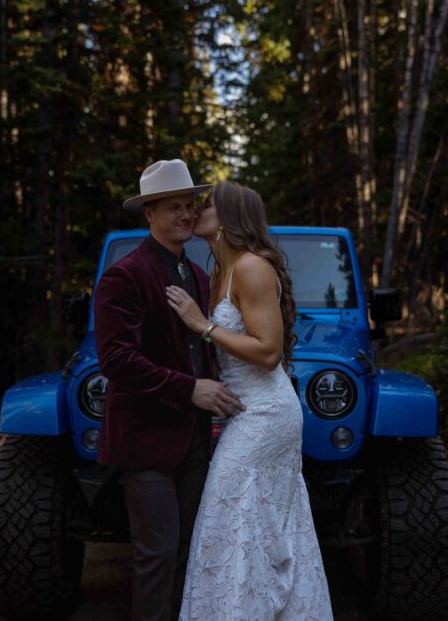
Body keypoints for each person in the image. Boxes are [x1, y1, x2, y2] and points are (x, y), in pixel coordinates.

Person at [168, 182, 333, 620]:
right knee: (251, 524)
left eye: (207, 204)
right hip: (243, 411)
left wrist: (201, 325)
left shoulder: (252, 267)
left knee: (230, 518)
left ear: (229, 216)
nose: (196, 210)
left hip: (266, 413)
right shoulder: (218, 272)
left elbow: (268, 352)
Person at [93, 159, 247, 621]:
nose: (185, 214)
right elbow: (116, 361)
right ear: (149, 214)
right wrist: (189, 390)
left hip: (196, 440)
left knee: (188, 548)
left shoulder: (199, 277)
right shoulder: (125, 275)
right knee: (156, 554)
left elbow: (204, 347)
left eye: (189, 205)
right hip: (144, 439)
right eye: (173, 207)